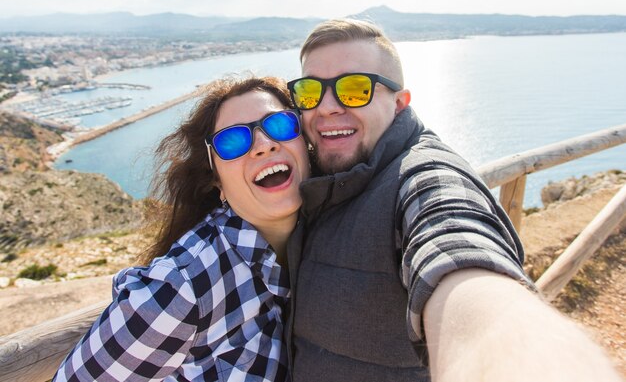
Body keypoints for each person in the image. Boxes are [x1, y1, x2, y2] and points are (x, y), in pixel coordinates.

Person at [285, 19, 622, 382]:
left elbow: (456, 247)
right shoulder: (319, 181)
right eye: (309, 92)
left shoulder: (423, 176)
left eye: (354, 89)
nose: (327, 106)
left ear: (399, 103)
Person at [53, 76, 309, 381]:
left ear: (306, 143)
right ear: (218, 183)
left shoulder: (324, 241)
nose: (264, 145)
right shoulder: (180, 288)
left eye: (280, 124)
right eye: (233, 141)